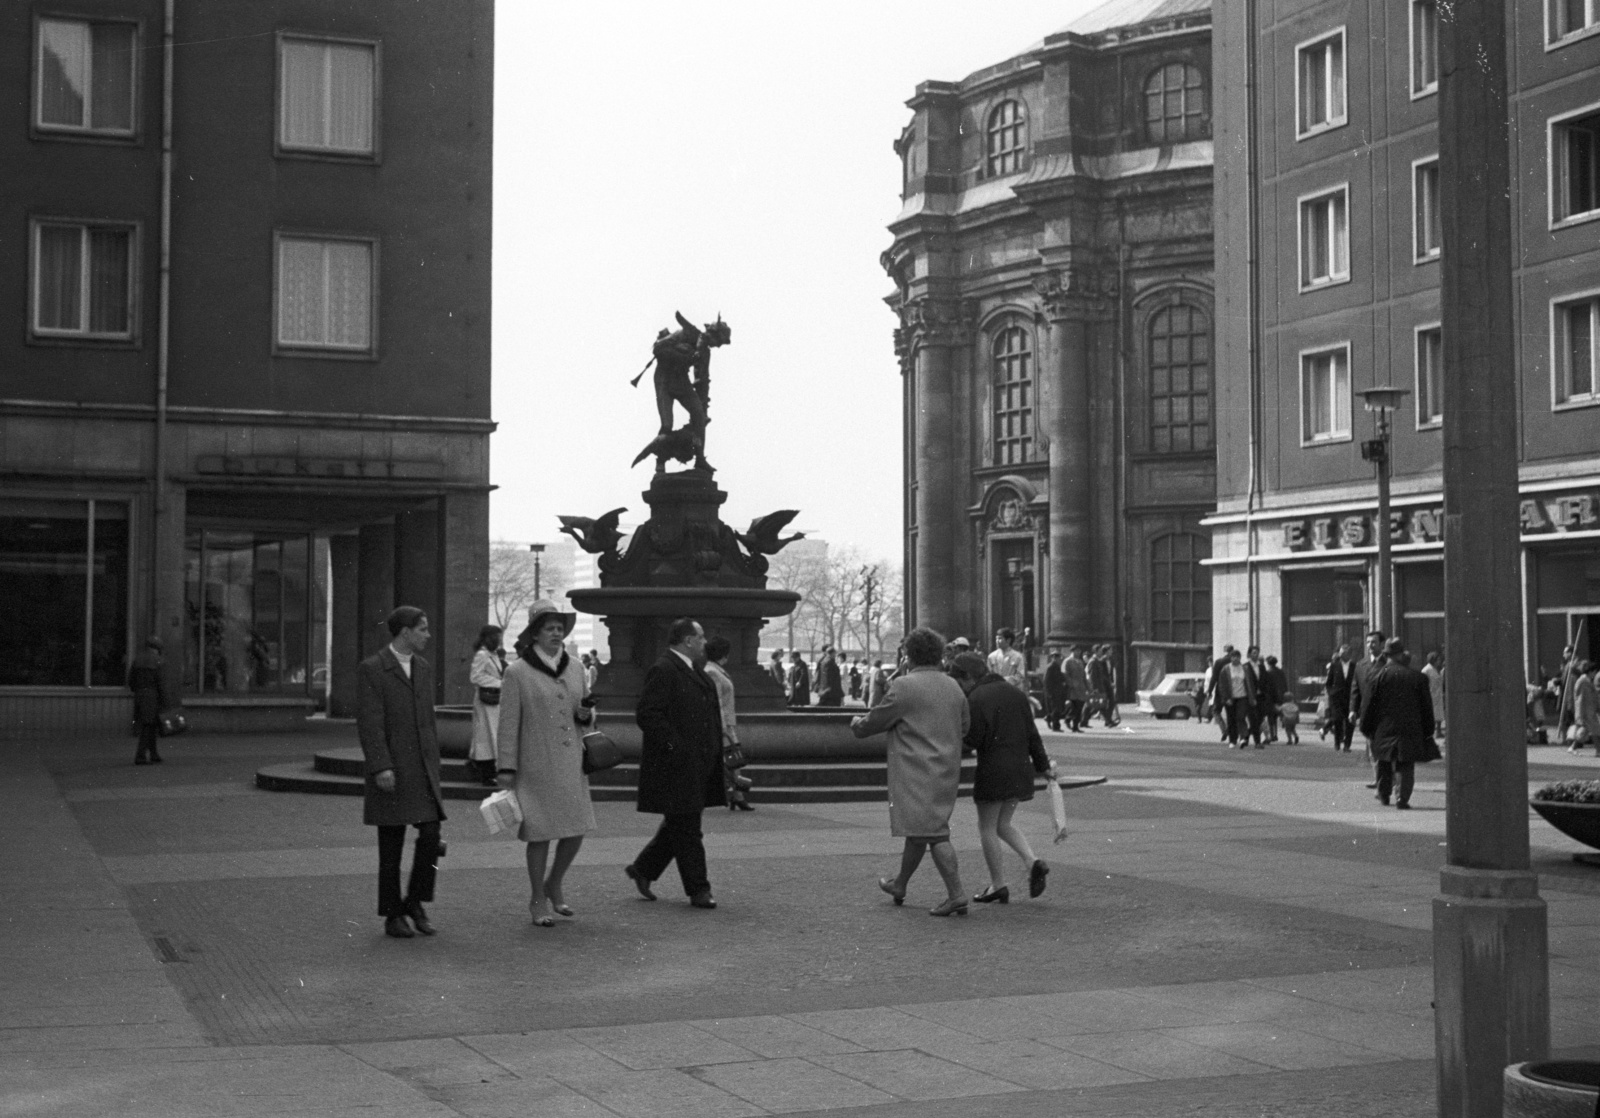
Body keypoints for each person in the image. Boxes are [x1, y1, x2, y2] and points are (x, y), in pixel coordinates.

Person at [851, 627, 971, 917]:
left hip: (916, 771)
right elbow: (965, 726)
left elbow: (876, 720)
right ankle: (900, 885)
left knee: (934, 833)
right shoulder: (953, 686)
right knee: (921, 829)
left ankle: (956, 894)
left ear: (909, 655)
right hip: (945, 770)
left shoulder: (905, 685)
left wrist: (857, 723)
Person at [496, 600, 596, 927]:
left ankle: (555, 882)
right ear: (535, 634)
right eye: (549, 628)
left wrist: (586, 715)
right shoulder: (517, 672)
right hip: (535, 765)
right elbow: (508, 723)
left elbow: (584, 713)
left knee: (576, 828)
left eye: (559, 628)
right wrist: (506, 768)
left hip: (570, 762)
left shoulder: (577, 668)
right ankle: (538, 897)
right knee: (539, 833)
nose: (556, 633)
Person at [357, 606, 446, 939]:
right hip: (392, 770)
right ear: (405, 632)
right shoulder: (373, 669)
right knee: (390, 847)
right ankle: (393, 914)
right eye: (422, 629)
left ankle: (415, 901)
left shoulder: (422, 667)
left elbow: (428, 723)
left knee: (431, 834)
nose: (426, 634)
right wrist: (381, 765)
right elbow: (370, 723)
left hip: (422, 770)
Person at [626, 617, 724, 909]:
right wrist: (674, 748)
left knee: (680, 822)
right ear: (688, 641)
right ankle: (698, 890)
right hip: (678, 765)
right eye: (701, 636)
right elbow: (648, 714)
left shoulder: (689, 669)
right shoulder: (665, 668)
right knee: (688, 827)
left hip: (695, 762)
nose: (705, 642)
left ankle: (643, 869)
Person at [953, 652, 1055, 904]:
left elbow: (972, 740)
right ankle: (1032, 862)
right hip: (1020, 770)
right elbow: (1033, 736)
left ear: (968, 677)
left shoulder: (976, 698)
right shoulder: (1016, 694)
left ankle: (998, 884)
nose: (959, 688)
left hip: (993, 770)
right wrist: (1043, 766)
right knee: (1003, 824)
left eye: (958, 681)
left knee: (987, 827)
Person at [1359, 640, 1438, 809]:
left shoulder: (1376, 677)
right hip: (1409, 728)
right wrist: (1428, 730)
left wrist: (1366, 728)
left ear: (1386, 655)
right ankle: (1402, 798)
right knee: (1406, 763)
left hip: (1382, 728)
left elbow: (1367, 706)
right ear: (1401, 655)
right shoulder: (1418, 678)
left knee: (1383, 762)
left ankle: (1384, 795)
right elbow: (1426, 708)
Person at [703, 635, 754, 811]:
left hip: (727, 723)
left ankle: (737, 795)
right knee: (732, 760)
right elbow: (716, 701)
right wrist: (723, 727)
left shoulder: (715, 669)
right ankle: (736, 795)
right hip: (724, 725)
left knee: (733, 760)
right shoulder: (712, 672)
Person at [468, 625, 505, 786]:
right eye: (496, 637)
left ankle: (485, 770)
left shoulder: (492, 654)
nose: (498, 640)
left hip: (493, 701)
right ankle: (486, 773)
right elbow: (475, 677)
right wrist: (499, 683)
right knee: (486, 738)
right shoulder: (483, 655)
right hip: (485, 701)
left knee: (490, 737)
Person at [127, 637, 170, 765]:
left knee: (150, 724)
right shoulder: (158, 662)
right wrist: (165, 700)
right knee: (148, 725)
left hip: (139, 694)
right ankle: (140, 756)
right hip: (152, 695)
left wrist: (137, 690)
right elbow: (161, 682)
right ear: (157, 649)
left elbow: (131, 680)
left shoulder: (137, 659)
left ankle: (154, 754)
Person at [1216, 648, 1258, 748]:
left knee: (1240, 716)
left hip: (1242, 697)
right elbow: (1222, 685)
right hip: (1230, 698)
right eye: (1233, 657)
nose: (1235, 659)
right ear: (1230, 658)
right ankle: (1232, 740)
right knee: (1231, 719)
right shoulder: (1226, 669)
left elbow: (1250, 683)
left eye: (1237, 657)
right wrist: (1226, 698)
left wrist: (1252, 697)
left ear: (1240, 658)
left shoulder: (1245, 669)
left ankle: (1243, 738)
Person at [1324, 644, 1356, 751]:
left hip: (1350, 698)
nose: (1341, 654)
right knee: (1337, 721)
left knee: (1350, 722)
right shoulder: (1334, 665)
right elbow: (1328, 683)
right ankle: (1337, 744)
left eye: (1344, 653)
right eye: (1340, 652)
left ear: (1349, 654)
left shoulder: (1355, 666)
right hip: (1337, 698)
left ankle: (1347, 745)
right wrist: (1331, 693)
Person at [987, 628, 1027, 693]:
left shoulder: (1018, 657)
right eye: (996, 639)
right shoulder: (991, 656)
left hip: (1012, 691)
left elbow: (1020, 676)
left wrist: (1003, 680)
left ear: (1008, 640)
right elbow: (988, 674)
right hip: (995, 691)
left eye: (1000, 638)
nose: (997, 641)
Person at [1570, 660, 1597, 754]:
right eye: (1594, 672)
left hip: (1588, 711)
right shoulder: (1583, 682)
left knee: (1585, 732)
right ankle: (1598, 750)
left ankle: (1572, 747)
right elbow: (1580, 699)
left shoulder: (1585, 681)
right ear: (1590, 672)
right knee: (1594, 731)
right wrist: (1580, 714)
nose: (1595, 675)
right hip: (1586, 712)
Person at [1263, 655, 1290, 743]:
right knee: (1283, 716)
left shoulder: (1268, 672)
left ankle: (1273, 735)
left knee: (1271, 717)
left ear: (1268, 663)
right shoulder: (1281, 672)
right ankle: (1290, 736)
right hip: (1281, 697)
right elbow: (1285, 684)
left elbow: (1268, 687)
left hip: (1271, 698)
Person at [1062, 646, 1090, 732]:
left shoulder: (1080, 662)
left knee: (1080, 707)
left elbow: (1084, 676)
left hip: (1081, 688)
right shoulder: (1067, 661)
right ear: (1072, 651)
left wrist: (1088, 687)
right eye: (1076, 651)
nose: (1078, 653)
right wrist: (1071, 684)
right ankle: (1069, 720)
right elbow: (1065, 674)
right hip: (1073, 689)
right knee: (1074, 707)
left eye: (1079, 651)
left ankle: (1075, 725)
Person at [1422, 651, 1445, 738]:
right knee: (1432, 714)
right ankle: (1431, 732)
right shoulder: (1426, 670)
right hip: (1431, 694)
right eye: (1438, 660)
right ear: (1433, 660)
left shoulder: (1436, 669)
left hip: (1437, 695)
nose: (1439, 661)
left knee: (1438, 715)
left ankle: (1438, 731)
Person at [1043, 650, 1066, 732]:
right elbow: (1046, 681)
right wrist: (1049, 693)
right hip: (1053, 692)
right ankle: (1055, 726)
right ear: (1054, 658)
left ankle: (1049, 718)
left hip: (1057, 691)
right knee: (1055, 709)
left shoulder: (1057, 667)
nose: (1059, 659)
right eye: (1057, 657)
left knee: (1055, 709)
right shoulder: (1051, 667)